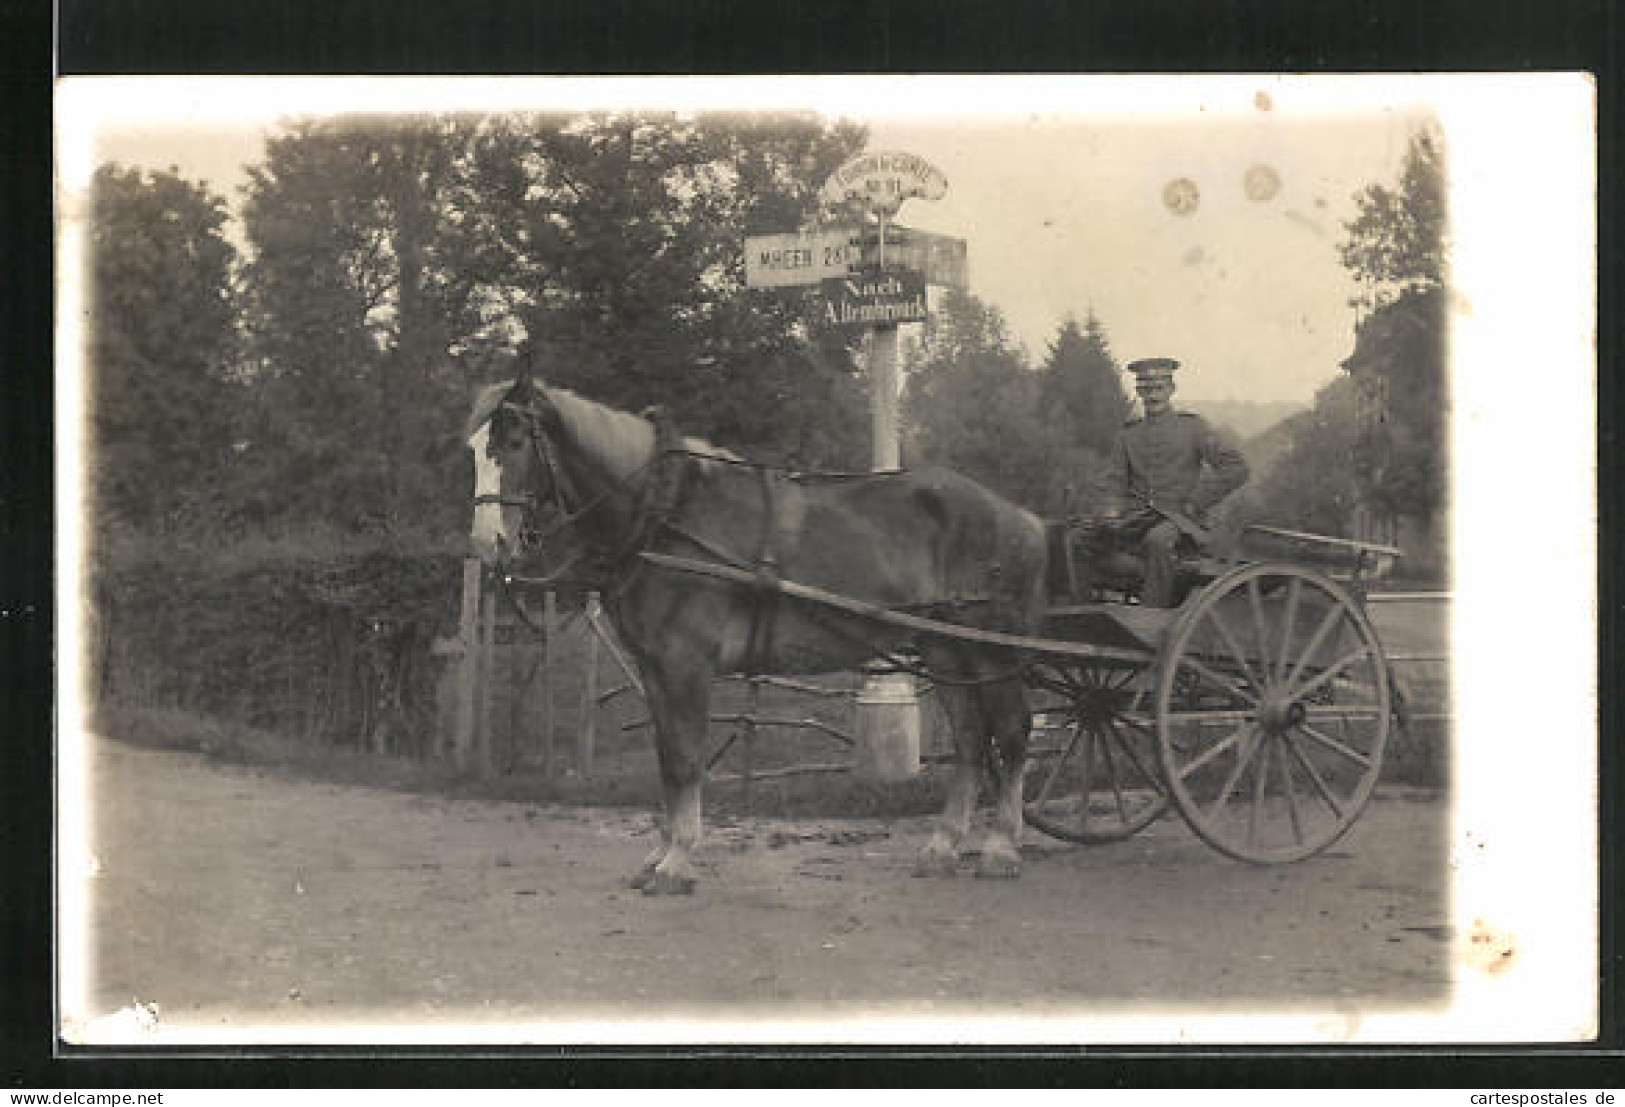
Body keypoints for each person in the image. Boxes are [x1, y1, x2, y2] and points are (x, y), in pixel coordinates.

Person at [1095, 357, 1250, 606]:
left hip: (1182, 521)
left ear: (1171, 389)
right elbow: (1113, 481)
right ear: (1138, 392)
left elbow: (1236, 468)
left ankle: (1150, 615)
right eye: (1146, 389)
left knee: (1157, 541)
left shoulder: (1193, 429)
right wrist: (1110, 515)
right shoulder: (1129, 435)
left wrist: (1197, 501)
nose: (1153, 396)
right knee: (1079, 537)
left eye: (1159, 388)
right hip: (1136, 519)